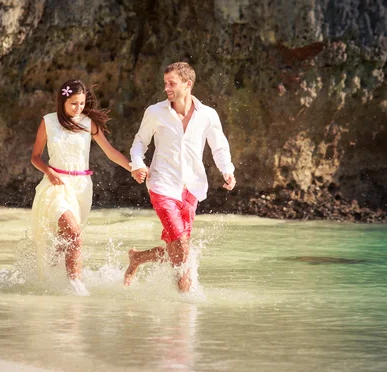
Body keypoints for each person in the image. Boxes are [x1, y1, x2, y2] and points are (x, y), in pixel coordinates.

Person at [125, 62, 236, 292]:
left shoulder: (208, 115)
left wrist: (227, 170)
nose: (166, 87)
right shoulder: (155, 112)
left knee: (180, 249)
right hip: (161, 185)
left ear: (188, 84)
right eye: (165, 83)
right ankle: (185, 301)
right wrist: (138, 164)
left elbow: (219, 146)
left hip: (192, 188)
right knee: (183, 246)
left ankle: (140, 259)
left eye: (171, 83)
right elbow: (139, 143)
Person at [31, 79, 131, 296]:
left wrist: (133, 168)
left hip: (82, 187)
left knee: (65, 240)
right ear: (62, 101)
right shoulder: (48, 122)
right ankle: (76, 285)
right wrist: (49, 171)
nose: (78, 108)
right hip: (56, 184)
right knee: (75, 234)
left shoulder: (88, 123)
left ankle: (54, 281)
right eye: (73, 104)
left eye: (82, 103)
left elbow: (110, 152)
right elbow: (35, 157)